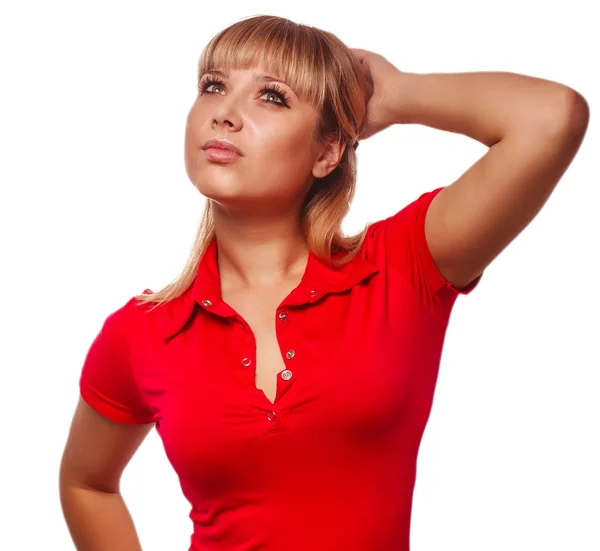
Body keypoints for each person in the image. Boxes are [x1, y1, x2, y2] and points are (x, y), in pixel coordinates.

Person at [59, 14, 589, 551]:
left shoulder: (403, 266)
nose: (225, 114)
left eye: (272, 96)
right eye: (213, 86)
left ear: (327, 152)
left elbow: (551, 117)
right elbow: (87, 484)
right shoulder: (143, 331)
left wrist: (398, 94)